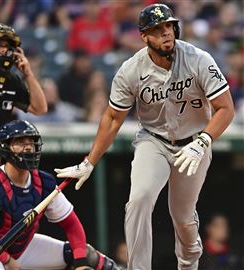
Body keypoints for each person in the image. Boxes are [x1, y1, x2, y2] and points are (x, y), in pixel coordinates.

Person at [54, 3, 234, 270]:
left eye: (169, 26)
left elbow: (225, 108)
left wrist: (204, 140)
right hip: (154, 140)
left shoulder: (198, 58)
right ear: (144, 36)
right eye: (157, 29)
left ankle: (188, 265)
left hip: (195, 142)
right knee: (139, 199)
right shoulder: (131, 69)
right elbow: (113, 117)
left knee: (183, 217)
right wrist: (90, 161)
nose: (166, 33)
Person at [0, 120, 120, 270]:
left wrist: (80, 263)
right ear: (5, 148)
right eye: (21, 142)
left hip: (21, 248)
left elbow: (71, 224)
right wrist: (6, 259)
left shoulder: (43, 183)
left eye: (31, 142)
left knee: (86, 254)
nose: (29, 148)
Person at [0, 23, 47, 181]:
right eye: (0, 45)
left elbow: (40, 108)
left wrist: (28, 74)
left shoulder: (10, 80)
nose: (4, 50)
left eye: (8, 47)